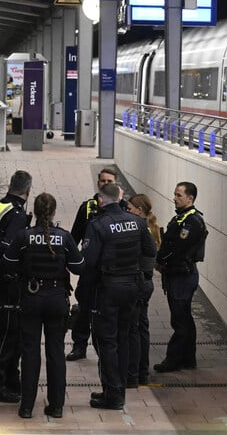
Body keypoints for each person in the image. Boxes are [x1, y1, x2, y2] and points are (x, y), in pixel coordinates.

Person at [2, 192, 84, 419]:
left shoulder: (23, 236)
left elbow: (7, 264)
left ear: (35, 212)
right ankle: (56, 406)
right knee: (56, 352)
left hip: (30, 298)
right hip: (57, 299)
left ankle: (26, 406)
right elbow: (79, 267)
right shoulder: (64, 237)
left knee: (30, 352)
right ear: (54, 212)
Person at [80, 183, 157, 410]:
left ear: (101, 201)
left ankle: (112, 394)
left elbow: (89, 262)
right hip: (132, 286)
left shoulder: (98, 224)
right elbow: (151, 251)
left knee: (107, 342)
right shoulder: (138, 222)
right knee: (124, 338)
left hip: (109, 290)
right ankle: (120, 389)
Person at [66, 167, 127, 361]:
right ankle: (79, 345)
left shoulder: (124, 207)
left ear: (116, 184)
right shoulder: (87, 207)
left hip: (112, 271)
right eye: (103, 181)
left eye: (110, 182)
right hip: (90, 270)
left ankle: (108, 349)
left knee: (109, 312)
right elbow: (74, 237)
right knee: (84, 307)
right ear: (98, 183)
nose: (106, 185)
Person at [0, 170, 33, 402]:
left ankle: (10, 380)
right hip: (6, 281)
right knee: (5, 335)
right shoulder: (17, 215)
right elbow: (6, 246)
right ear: (28, 191)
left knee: (3, 333)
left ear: (10, 183)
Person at [154, 182, 208, 374]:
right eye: (174, 194)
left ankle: (173, 359)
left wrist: (160, 260)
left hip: (182, 275)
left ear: (190, 198)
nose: (174, 198)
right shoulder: (182, 218)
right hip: (177, 274)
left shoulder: (191, 221)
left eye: (178, 195)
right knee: (184, 317)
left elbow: (177, 248)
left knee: (179, 320)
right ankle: (188, 358)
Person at [126, 194, 161, 388]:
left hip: (139, 283)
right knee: (142, 327)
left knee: (134, 328)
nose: (127, 212)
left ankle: (135, 372)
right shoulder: (150, 228)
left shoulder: (141, 230)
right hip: (145, 283)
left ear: (139, 210)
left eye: (130, 209)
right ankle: (141, 371)